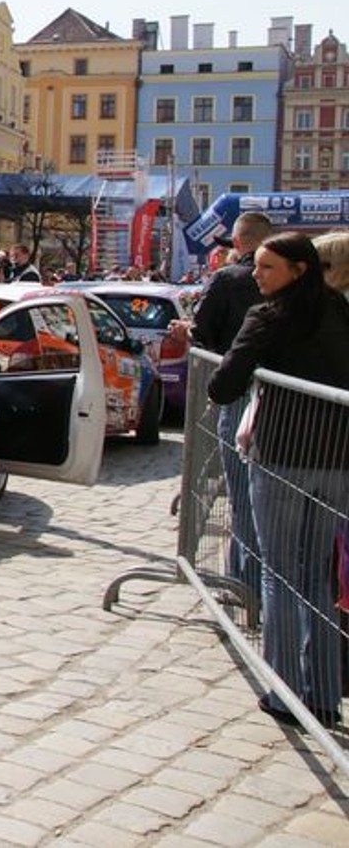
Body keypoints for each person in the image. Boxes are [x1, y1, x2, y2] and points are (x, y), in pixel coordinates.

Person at [208, 232, 349, 726]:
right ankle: (325, 697)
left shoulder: (268, 317)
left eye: (267, 268)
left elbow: (223, 385)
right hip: (336, 460)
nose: (256, 275)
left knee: (282, 574)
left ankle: (284, 690)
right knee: (318, 577)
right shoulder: (340, 312)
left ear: (299, 269)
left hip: (285, 458)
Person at [172, 210, 272, 593]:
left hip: (239, 392)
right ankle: (251, 582)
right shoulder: (292, 284)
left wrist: (188, 332)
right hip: (270, 394)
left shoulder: (229, 279)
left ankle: (245, 585)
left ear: (241, 241)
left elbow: (204, 333)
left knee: (245, 495)